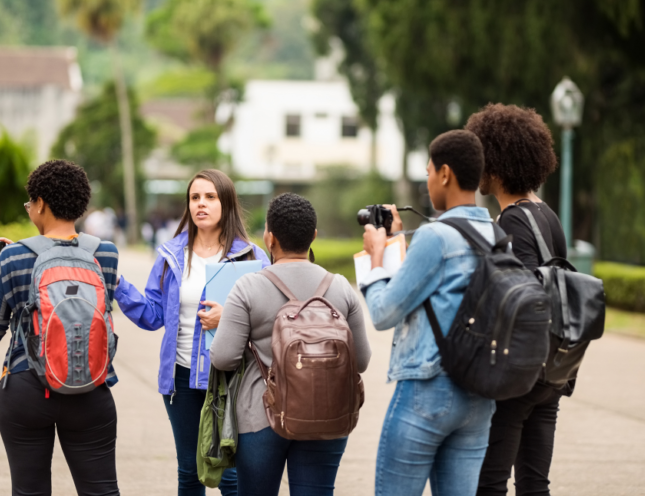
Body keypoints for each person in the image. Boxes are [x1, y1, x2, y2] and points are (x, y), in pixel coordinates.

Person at [114, 169, 270, 496]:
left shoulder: (253, 257)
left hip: (232, 379)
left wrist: (231, 318)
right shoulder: (171, 255)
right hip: (181, 379)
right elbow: (153, 315)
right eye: (195, 197)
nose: (201, 204)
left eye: (210, 197)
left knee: (230, 475)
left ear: (226, 203)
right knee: (189, 473)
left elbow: (272, 319)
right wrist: (118, 285)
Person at [360, 130, 496, 496]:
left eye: (428, 172)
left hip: (429, 389)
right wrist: (400, 244)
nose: (428, 180)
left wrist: (376, 256)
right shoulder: (497, 235)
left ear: (446, 174)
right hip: (480, 397)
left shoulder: (437, 236)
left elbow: (383, 312)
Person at [210, 192, 372, 496]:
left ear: (269, 238)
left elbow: (222, 358)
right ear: (313, 236)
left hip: (260, 416)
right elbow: (360, 361)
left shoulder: (248, 287)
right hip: (328, 414)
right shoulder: (340, 288)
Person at [0, 160, 121, 496]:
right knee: (101, 490)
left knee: (29, 491)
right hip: (91, 384)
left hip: (26, 388)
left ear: (41, 203)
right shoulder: (106, 253)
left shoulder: (12, 257)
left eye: (30, 203)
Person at [465, 103, 566, 496]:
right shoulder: (547, 215)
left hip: (522, 373)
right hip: (552, 370)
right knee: (534, 485)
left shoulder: (511, 222)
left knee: (489, 484)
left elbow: (522, 297)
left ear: (495, 164)